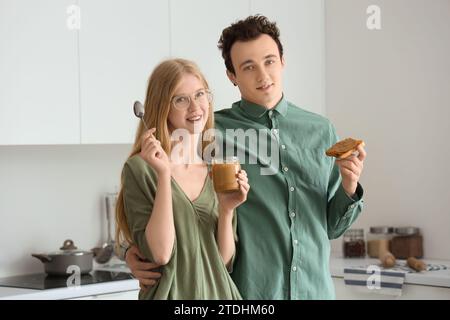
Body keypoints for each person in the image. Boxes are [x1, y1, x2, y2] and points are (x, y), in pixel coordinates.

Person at [124, 15, 366, 300]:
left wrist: (349, 186)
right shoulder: (212, 132)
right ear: (232, 76)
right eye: (248, 67)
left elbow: (333, 227)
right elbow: (167, 191)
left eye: (269, 61)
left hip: (315, 292)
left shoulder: (320, 130)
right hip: (251, 294)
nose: (263, 76)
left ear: (283, 61)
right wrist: (131, 251)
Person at [115, 58, 249, 299]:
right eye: (181, 100)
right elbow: (161, 253)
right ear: (162, 107)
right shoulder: (140, 169)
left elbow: (222, 262)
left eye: (200, 95)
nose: (195, 107)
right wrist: (164, 174)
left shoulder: (216, 168)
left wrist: (227, 210)